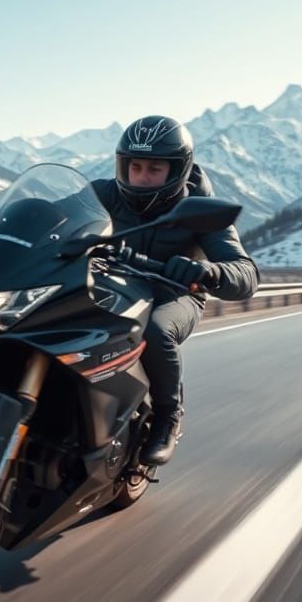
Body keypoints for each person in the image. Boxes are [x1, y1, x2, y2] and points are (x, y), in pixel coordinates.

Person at [90, 115, 259, 465]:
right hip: (115, 284)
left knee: (154, 331)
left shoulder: (200, 209)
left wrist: (208, 272)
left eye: (154, 169)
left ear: (178, 170)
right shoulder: (103, 193)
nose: (141, 177)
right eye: (134, 166)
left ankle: (168, 415)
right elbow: (50, 213)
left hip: (175, 293)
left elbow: (246, 273)